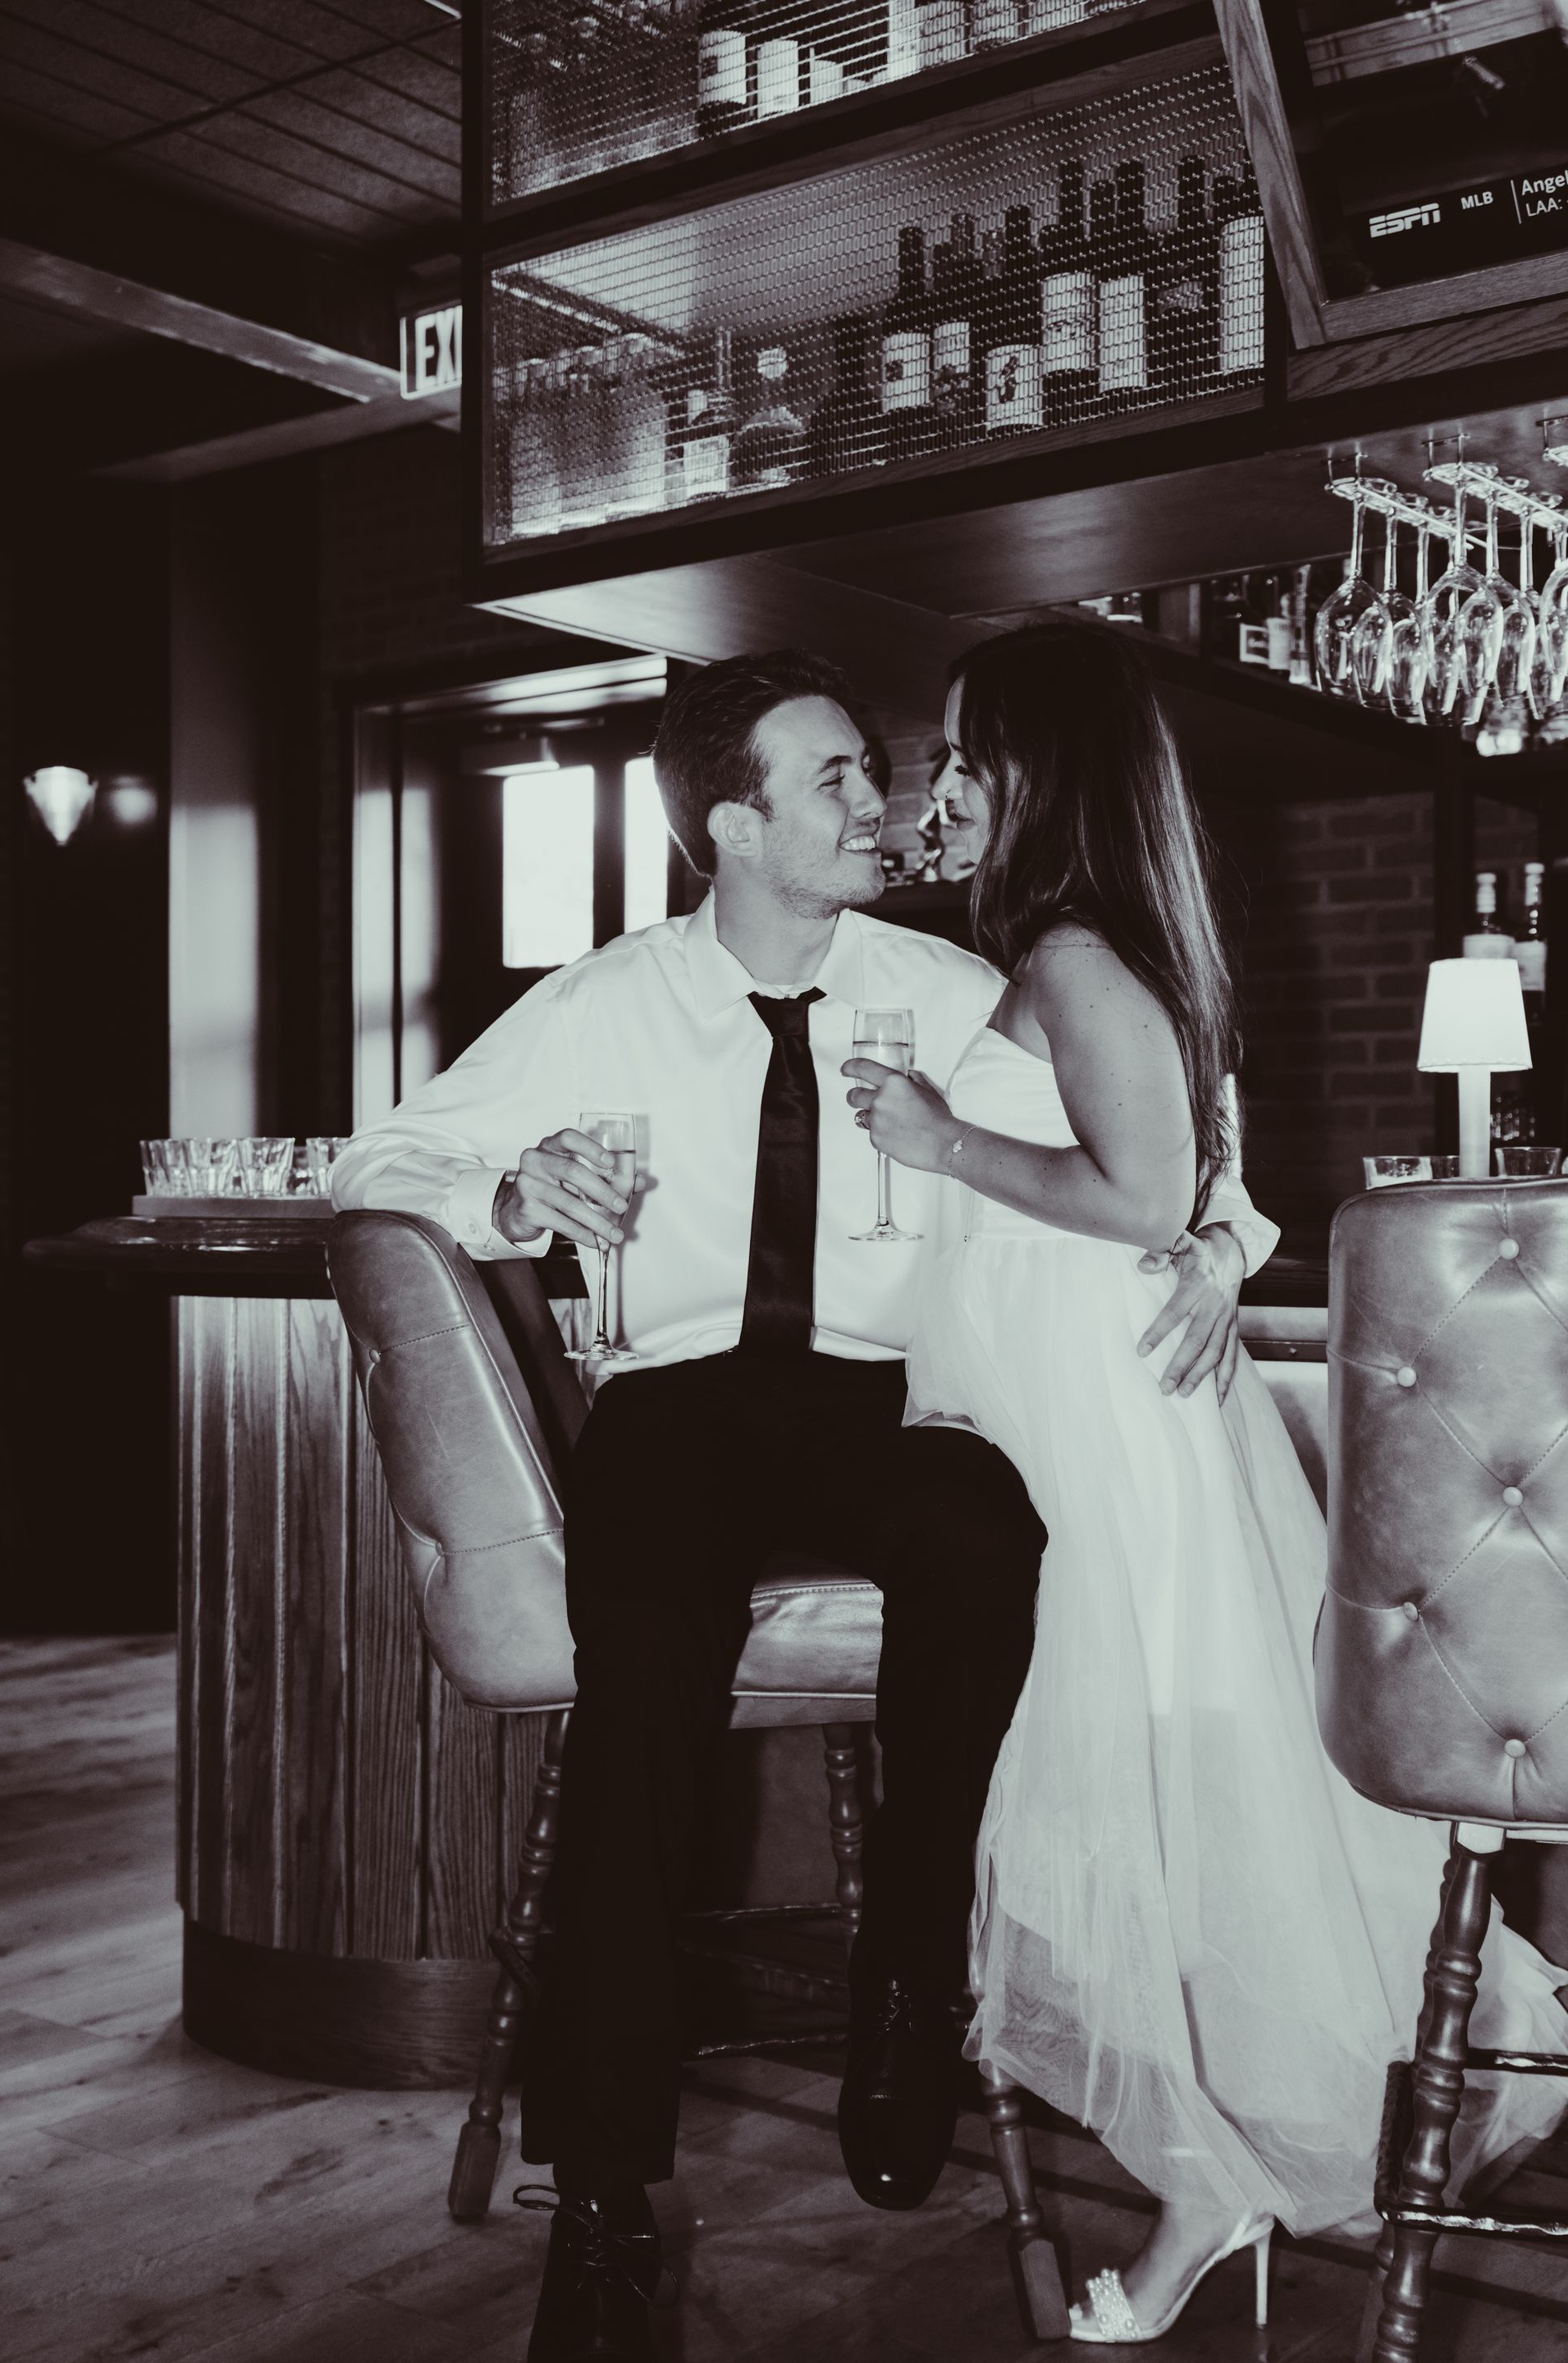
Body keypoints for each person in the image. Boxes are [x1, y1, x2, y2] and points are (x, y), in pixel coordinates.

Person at [331, 647, 1275, 2363]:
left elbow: (1181, 1151)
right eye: (838, 777)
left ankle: (910, 1975)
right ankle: (606, 2202)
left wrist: (1217, 1244)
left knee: (985, 1534)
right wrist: (513, 1182)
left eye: (882, 770)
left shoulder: (952, 979)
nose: (887, 802)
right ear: (731, 822)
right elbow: (374, 1165)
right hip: (678, 1408)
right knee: (638, 1716)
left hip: (889, 1404)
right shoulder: (602, 997)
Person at [844, 619, 1568, 2346]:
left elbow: (1145, 1192)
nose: (946, 783)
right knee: (1154, 1803)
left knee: (1138, 1802)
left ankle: (1205, 2185)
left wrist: (945, 1145)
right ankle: (1223, 2170)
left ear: (1039, 770)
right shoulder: (1073, 949)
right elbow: (1206, 1192)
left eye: (967, 752)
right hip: (1056, 1409)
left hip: (1095, 1423)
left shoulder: (1083, 954)